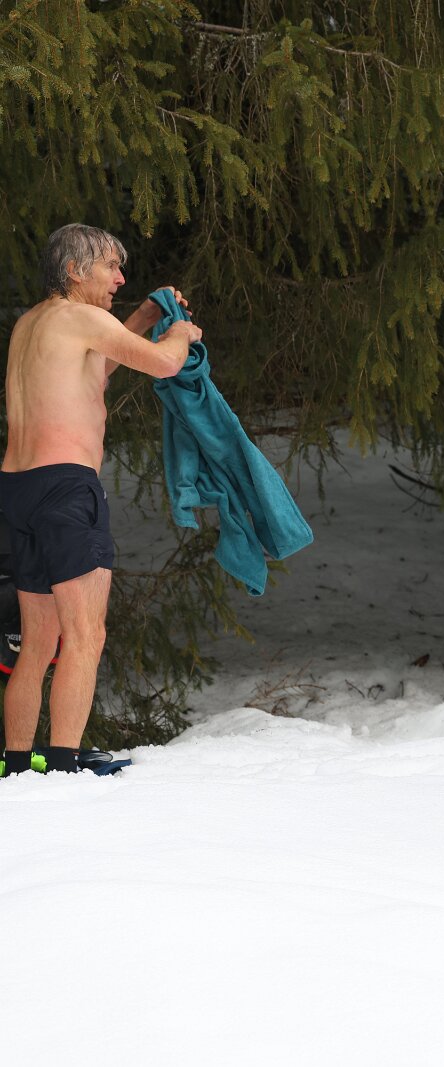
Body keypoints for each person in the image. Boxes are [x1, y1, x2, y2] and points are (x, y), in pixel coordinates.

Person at [1, 223, 200, 777]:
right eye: (110, 266)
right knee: (86, 635)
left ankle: (16, 762)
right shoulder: (81, 318)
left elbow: (98, 368)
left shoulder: (32, 323)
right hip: (66, 486)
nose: (120, 278)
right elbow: (163, 363)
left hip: (18, 489)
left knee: (38, 642)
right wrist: (180, 334)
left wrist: (146, 317)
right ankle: (64, 765)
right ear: (74, 270)